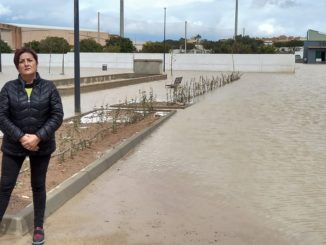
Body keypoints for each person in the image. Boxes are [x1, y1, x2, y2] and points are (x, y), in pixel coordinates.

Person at [0, 48, 64, 245]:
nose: (26, 63)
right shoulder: (8, 88)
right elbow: (1, 116)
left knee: (38, 186)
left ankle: (38, 227)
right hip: (13, 146)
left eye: (30, 60)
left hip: (41, 147)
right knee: (5, 186)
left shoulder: (49, 87)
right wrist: (21, 137)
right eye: (21, 61)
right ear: (17, 66)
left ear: (36, 63)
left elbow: (57, 115)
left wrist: (38, 137)